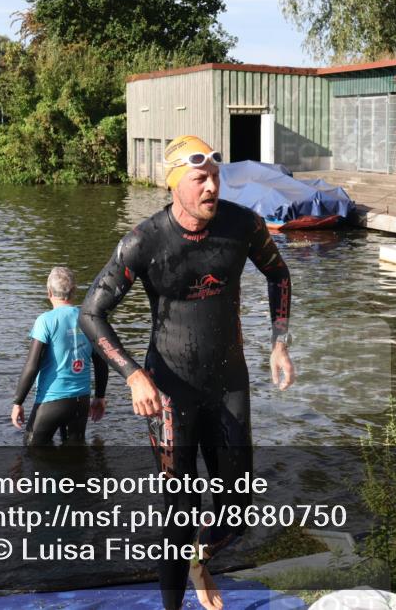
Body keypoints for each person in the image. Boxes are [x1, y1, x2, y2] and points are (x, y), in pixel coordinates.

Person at [80, 135, 295, 610]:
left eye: (216, 176)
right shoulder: (144, 241)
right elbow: (91, 314)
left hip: (228, 382)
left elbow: (279, 274)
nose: (211, 186)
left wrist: (279, 342)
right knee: (180, 512)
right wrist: (133, 375)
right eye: (200, 178)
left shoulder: (243, 226)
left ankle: (202, 560)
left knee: (238, 511)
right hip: (168, 391)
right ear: (175, 182)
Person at [12, 267, 108, 446]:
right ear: (74, 291)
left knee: (32, 450)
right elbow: (101, 362)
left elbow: (32, 365)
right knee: (76, 456)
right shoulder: (88, 319)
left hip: (51, 401)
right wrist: (100, 397)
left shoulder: (45, 321)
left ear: (48, 292)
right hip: (81, 402)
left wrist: (18, 402)